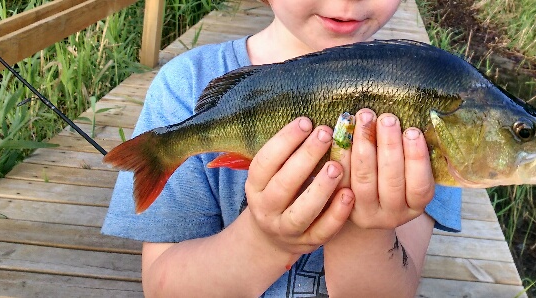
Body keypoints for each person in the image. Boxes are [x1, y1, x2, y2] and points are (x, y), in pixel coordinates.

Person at [101, 0, 461, 296]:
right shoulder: (185, 86)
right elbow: (163, 288)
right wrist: (264, 240)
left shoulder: (435, 94)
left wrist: (367, 226)